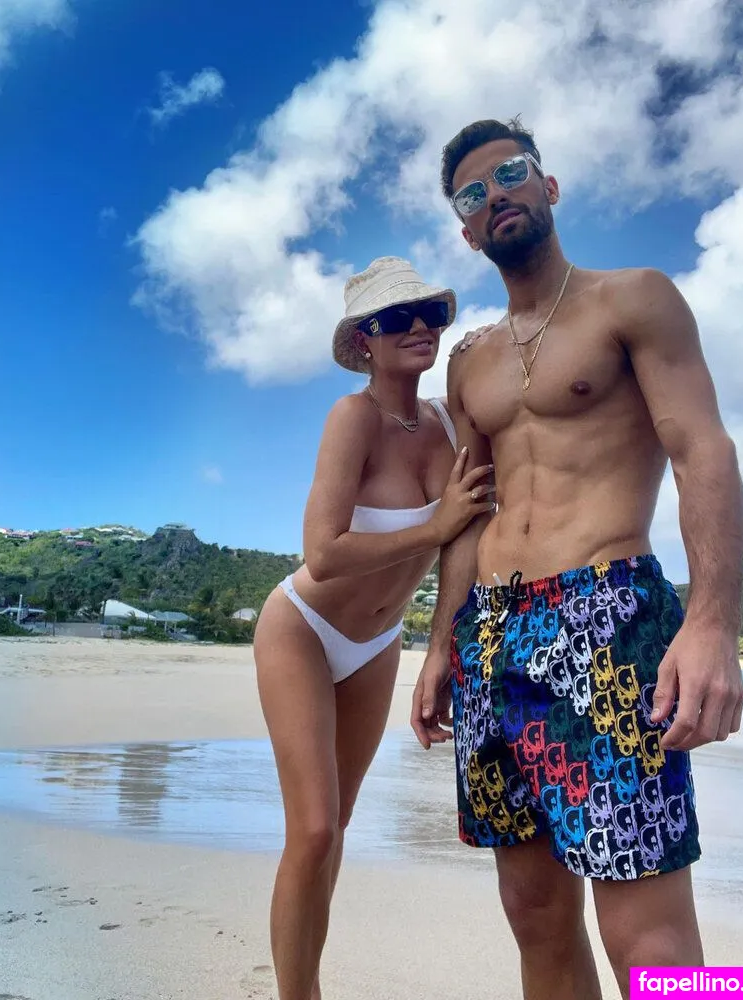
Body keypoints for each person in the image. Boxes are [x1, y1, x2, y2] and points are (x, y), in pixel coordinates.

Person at [410, 119, 743, 1000]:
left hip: (607, 616)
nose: (495, 195)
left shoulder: (633, 300)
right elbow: (470, 513)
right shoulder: (468, 362)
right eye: (472, 193)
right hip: (492, 634)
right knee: (533, 914)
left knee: (646, 930)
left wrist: (713, 624)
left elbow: (702, 451)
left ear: (548, 185)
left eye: (510, 173)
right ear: (466, 231)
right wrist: (442, 646)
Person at [254, 255, 495, 1000]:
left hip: (377, 645)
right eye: (396, 318)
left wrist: (440, 649)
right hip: (302, 627)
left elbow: (465, 542)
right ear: (365, 340)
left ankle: (305, 980)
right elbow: (323, 554)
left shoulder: (451, 425)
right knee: (313, 828)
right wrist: (435, 527)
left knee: (338, 829)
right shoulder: (352, 417)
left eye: (431, 313)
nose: (419, 327)